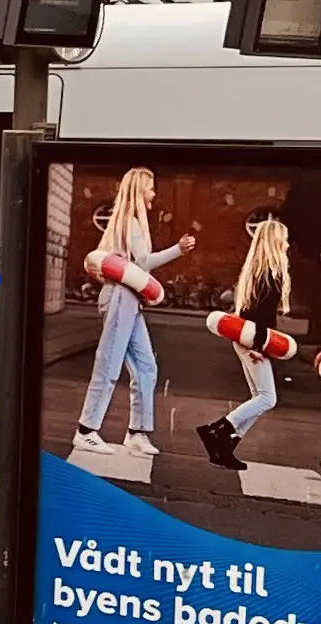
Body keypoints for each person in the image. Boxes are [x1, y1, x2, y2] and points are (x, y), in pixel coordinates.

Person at [73, 167, 193, 457]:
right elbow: (143, 262)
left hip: (129, 299)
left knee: (146, 367)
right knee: (109, 364)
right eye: (150, 188)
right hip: (120, 297)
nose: (154, 193)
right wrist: (178, 249)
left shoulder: (129, 222)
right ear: (139, 190)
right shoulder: (130, 222)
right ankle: (86, 431)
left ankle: (138, 432)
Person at [200, 214, 295, 467]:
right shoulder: (270, 275)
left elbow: (249, 312)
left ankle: (226, 445)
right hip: (253, 339)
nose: (287, 245)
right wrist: (258, 347)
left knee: (258, 395)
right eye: (284, 240)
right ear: (275, 242)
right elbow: (262, 316)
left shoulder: (255, 271)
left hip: (247, 337)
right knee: (267, 398)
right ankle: (218, 430)